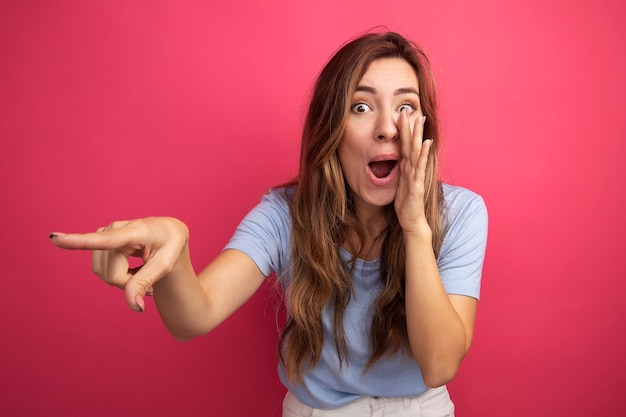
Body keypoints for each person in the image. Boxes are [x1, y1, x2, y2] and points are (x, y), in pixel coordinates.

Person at [51, 31, 488, 417]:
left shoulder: (463, 213)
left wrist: (414, 226)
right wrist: (176, 245)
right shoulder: (284, 213)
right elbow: (194, 316)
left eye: (406, 108)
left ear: (425, 130)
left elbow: (439, 365)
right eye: (361, 105)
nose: (388, 128)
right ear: (332, 129)